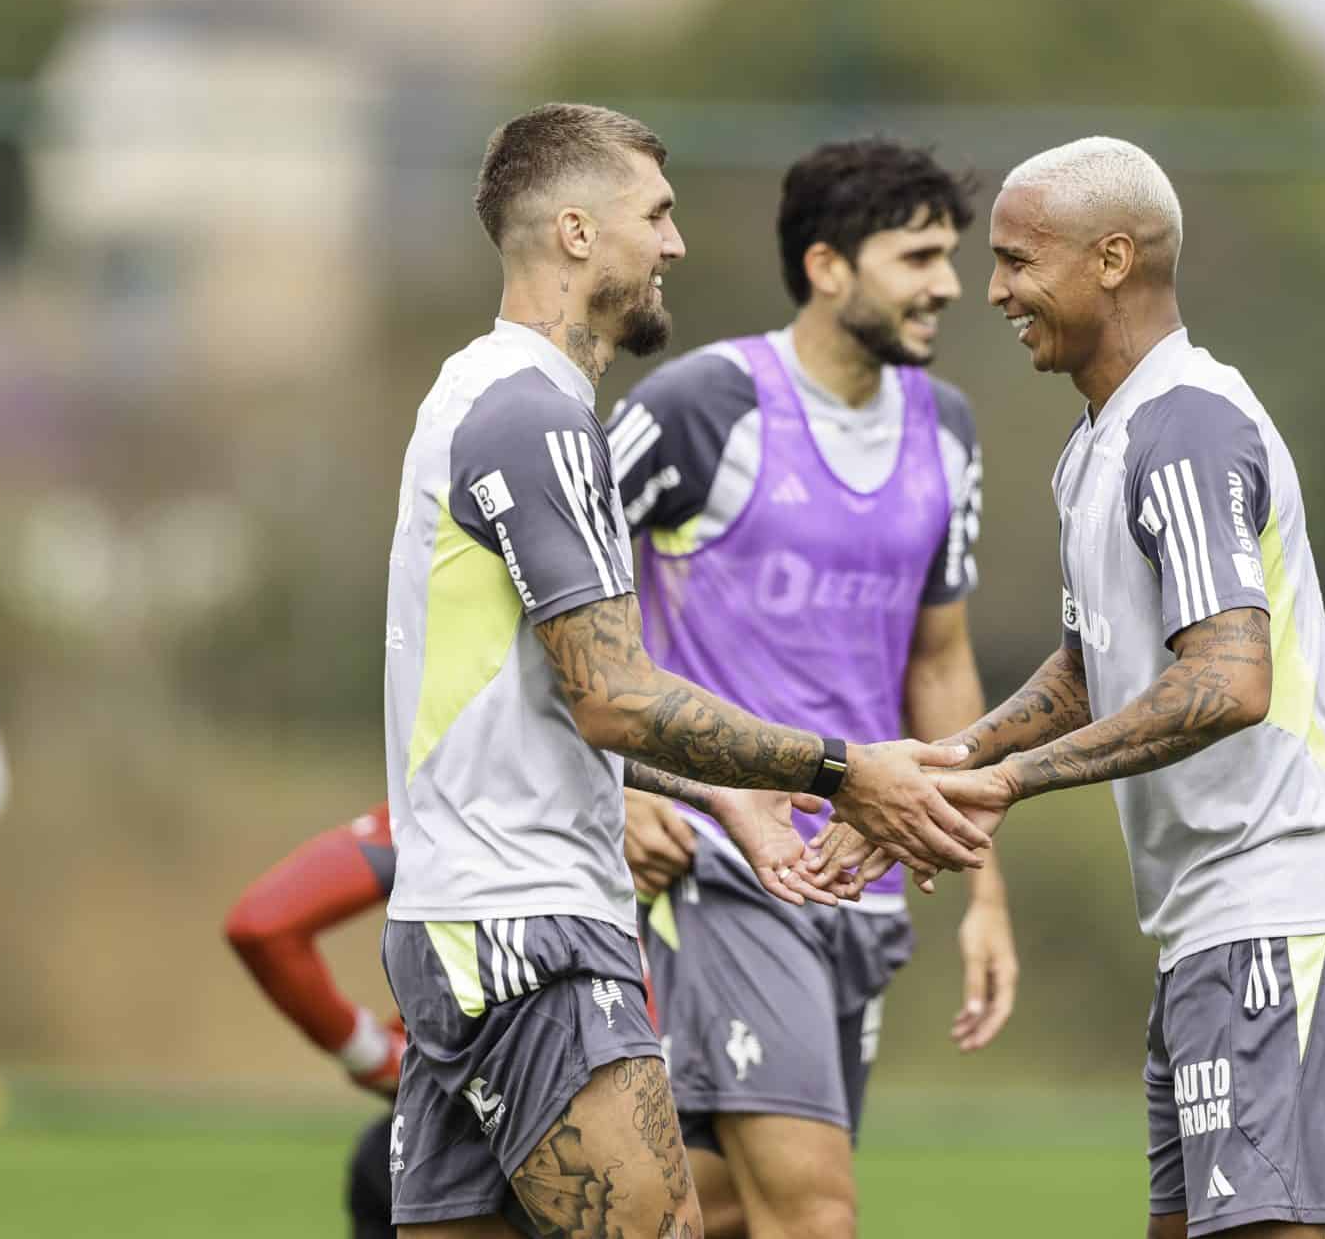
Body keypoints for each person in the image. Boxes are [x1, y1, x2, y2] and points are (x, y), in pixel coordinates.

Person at [380, 103, 989, 1237]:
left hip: (463, 919)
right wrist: (839, 768)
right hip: (539, 927)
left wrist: (718, 792)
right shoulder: (535, 418)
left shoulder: (481, 395)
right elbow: (614, 692)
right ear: (574, 231)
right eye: (654, 215)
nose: (675, 243)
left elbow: (558, 693)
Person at [823, 136, 1325, 1238]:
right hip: (1210, 919)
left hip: (1286, 901)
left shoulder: (1184, 426)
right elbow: (1087, 667)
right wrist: (939, 776)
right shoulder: (1098, 442)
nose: (991, 288)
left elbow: (1229, 679)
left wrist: (1016, 783)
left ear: (1109, 258)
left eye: (1015, 259)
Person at [608, 137, 1018, 1239]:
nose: (947, 283)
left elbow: (936, 661)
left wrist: (981, 885)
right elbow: (539, 600)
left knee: (714, 1205)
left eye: (952, 254)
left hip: (862, 886)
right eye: (917, 255)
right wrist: (623, 782)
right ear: (828, 265)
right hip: (724, 869)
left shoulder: (949, 431)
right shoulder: (701, 405)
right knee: (815, 1212)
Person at [227, 805, 407, 1239]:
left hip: (439, 1142)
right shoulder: (584, 794)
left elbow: (262, 926)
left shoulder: (443, 798)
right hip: (578, 1116)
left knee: (383, 1162)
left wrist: (378, 1056)